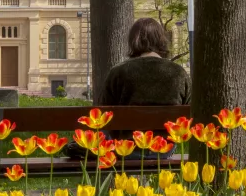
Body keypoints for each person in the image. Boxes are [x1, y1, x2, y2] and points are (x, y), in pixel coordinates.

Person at [67, 18, 190, 160]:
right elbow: (190, 110)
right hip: (164, 149)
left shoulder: (119, 72)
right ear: (161, 40)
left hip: (125, 148)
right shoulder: (179, 73)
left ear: (133, 41)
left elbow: (102, 113)